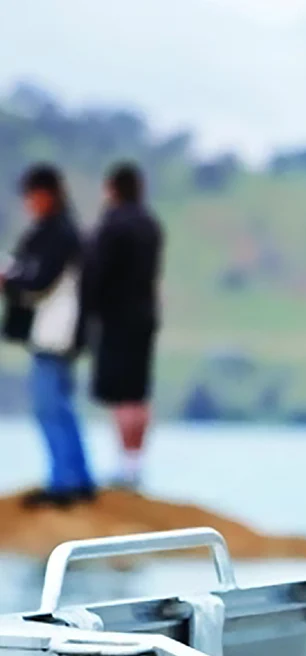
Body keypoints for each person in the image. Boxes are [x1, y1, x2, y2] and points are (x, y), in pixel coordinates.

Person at [0, 163, 95, 508]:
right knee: (59, 406)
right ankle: (75, 477)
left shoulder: (58, 235)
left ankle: (65, 482)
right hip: (54, 334)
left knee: (51, 406)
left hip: (56, 334)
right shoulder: (53, 232)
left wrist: (10, 282)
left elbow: (38, 280)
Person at [82, 161, 164, 490]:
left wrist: (89, 311)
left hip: (117, 318)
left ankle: (124, 467)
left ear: (112, 189)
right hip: (145, 316)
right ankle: (135, 463)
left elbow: (96, 274)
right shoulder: (151, 225)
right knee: (139, 393)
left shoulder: (112, 225)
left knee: (122, 394)